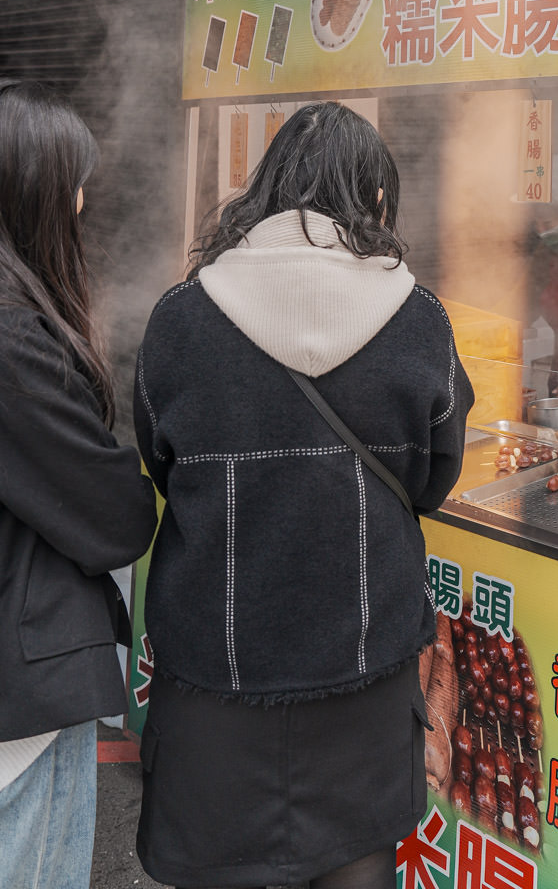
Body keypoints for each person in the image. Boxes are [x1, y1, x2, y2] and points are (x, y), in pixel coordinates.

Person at [134, 102, 474, 889]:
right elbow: (435, 478)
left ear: (267, 189)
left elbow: (161, 459)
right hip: (364, 672)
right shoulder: (418, 318)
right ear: (374, 201)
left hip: (215, 681)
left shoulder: (181, 317)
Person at [0, 79, 159, 889]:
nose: (85, 201)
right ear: (32, 194)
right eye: (73, 182)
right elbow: (116, 517)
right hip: (21, 700)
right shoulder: (14, 345)